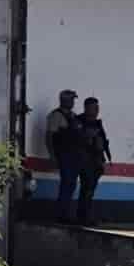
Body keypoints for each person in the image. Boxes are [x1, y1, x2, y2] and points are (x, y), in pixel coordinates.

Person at [44, 89, 83, 224]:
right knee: (66, 183)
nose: (73, 102)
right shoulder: (56, 116)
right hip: (63, 155)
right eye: (71, 99)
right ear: (64, 100)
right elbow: (49, 137)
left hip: (74, 155)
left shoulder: (73, 116)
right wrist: (52, 156)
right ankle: (61, 214)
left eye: (73, 99)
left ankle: (65, 213)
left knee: (71, 184)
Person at [75, 97, 112, 226]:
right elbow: (78, 140)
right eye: (93, 107)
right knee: (87, 190)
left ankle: (85, 216)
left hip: (96, 161)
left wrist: (104, 160)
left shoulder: (97, 123)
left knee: (90, 191)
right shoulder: (79, 121)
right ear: (86, 108)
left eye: (97, 107)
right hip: (84, 160)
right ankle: (83, 217)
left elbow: (102, 142)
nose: (96, 110)